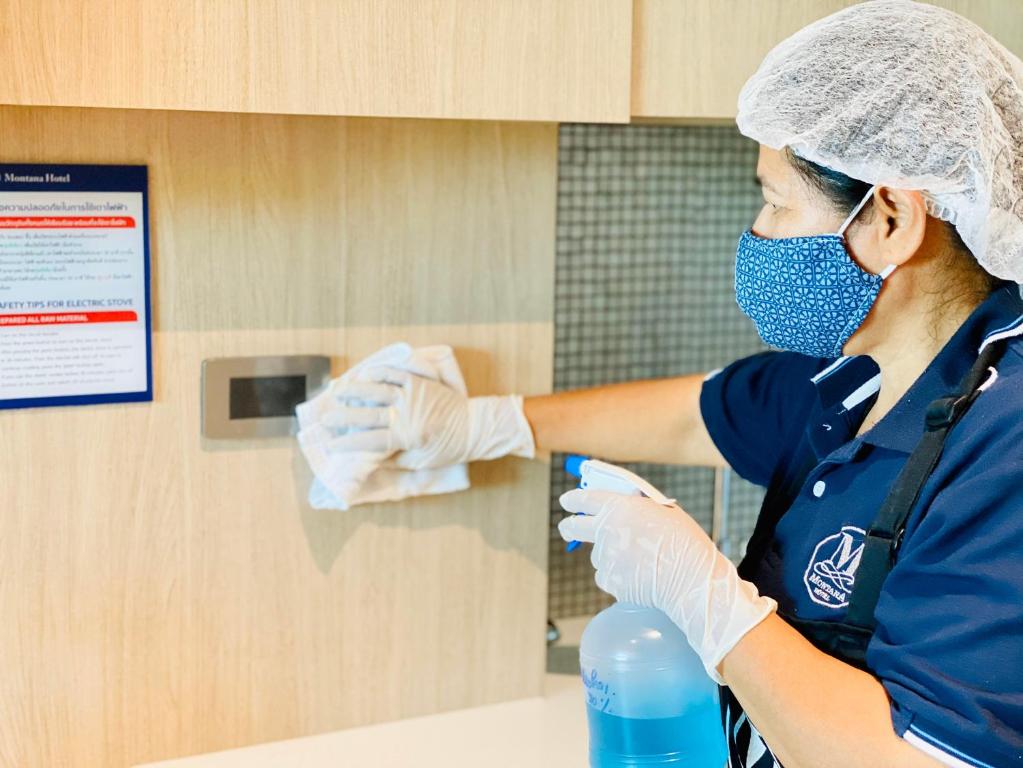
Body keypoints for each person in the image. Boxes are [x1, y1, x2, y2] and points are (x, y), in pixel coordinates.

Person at [319, 2, 1023, 765]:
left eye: (775, 201)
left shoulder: (1005, 443)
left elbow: (931, 758)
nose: (758, 232)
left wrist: (708, 603)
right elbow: (697, 416)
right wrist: (482, 423)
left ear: (889, 219)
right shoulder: (866, 374)